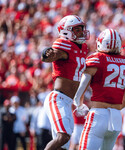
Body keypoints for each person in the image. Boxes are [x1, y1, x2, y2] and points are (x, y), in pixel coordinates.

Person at [73, 28, 125, 150]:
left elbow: (79, 93)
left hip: (98, 115)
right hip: (116, 118)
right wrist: (112, 109)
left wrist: (79, 105)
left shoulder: (97, 58)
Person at [41, 15, 90, 150]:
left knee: (63, 147)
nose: (81, 32)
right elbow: (53, 55)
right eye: (77, 30)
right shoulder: (64, 45)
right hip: (58, 99)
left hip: (68, 102)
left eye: (81, 29)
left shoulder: (83, 48)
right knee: (63, 137)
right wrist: (48, 54)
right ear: (66, 32)